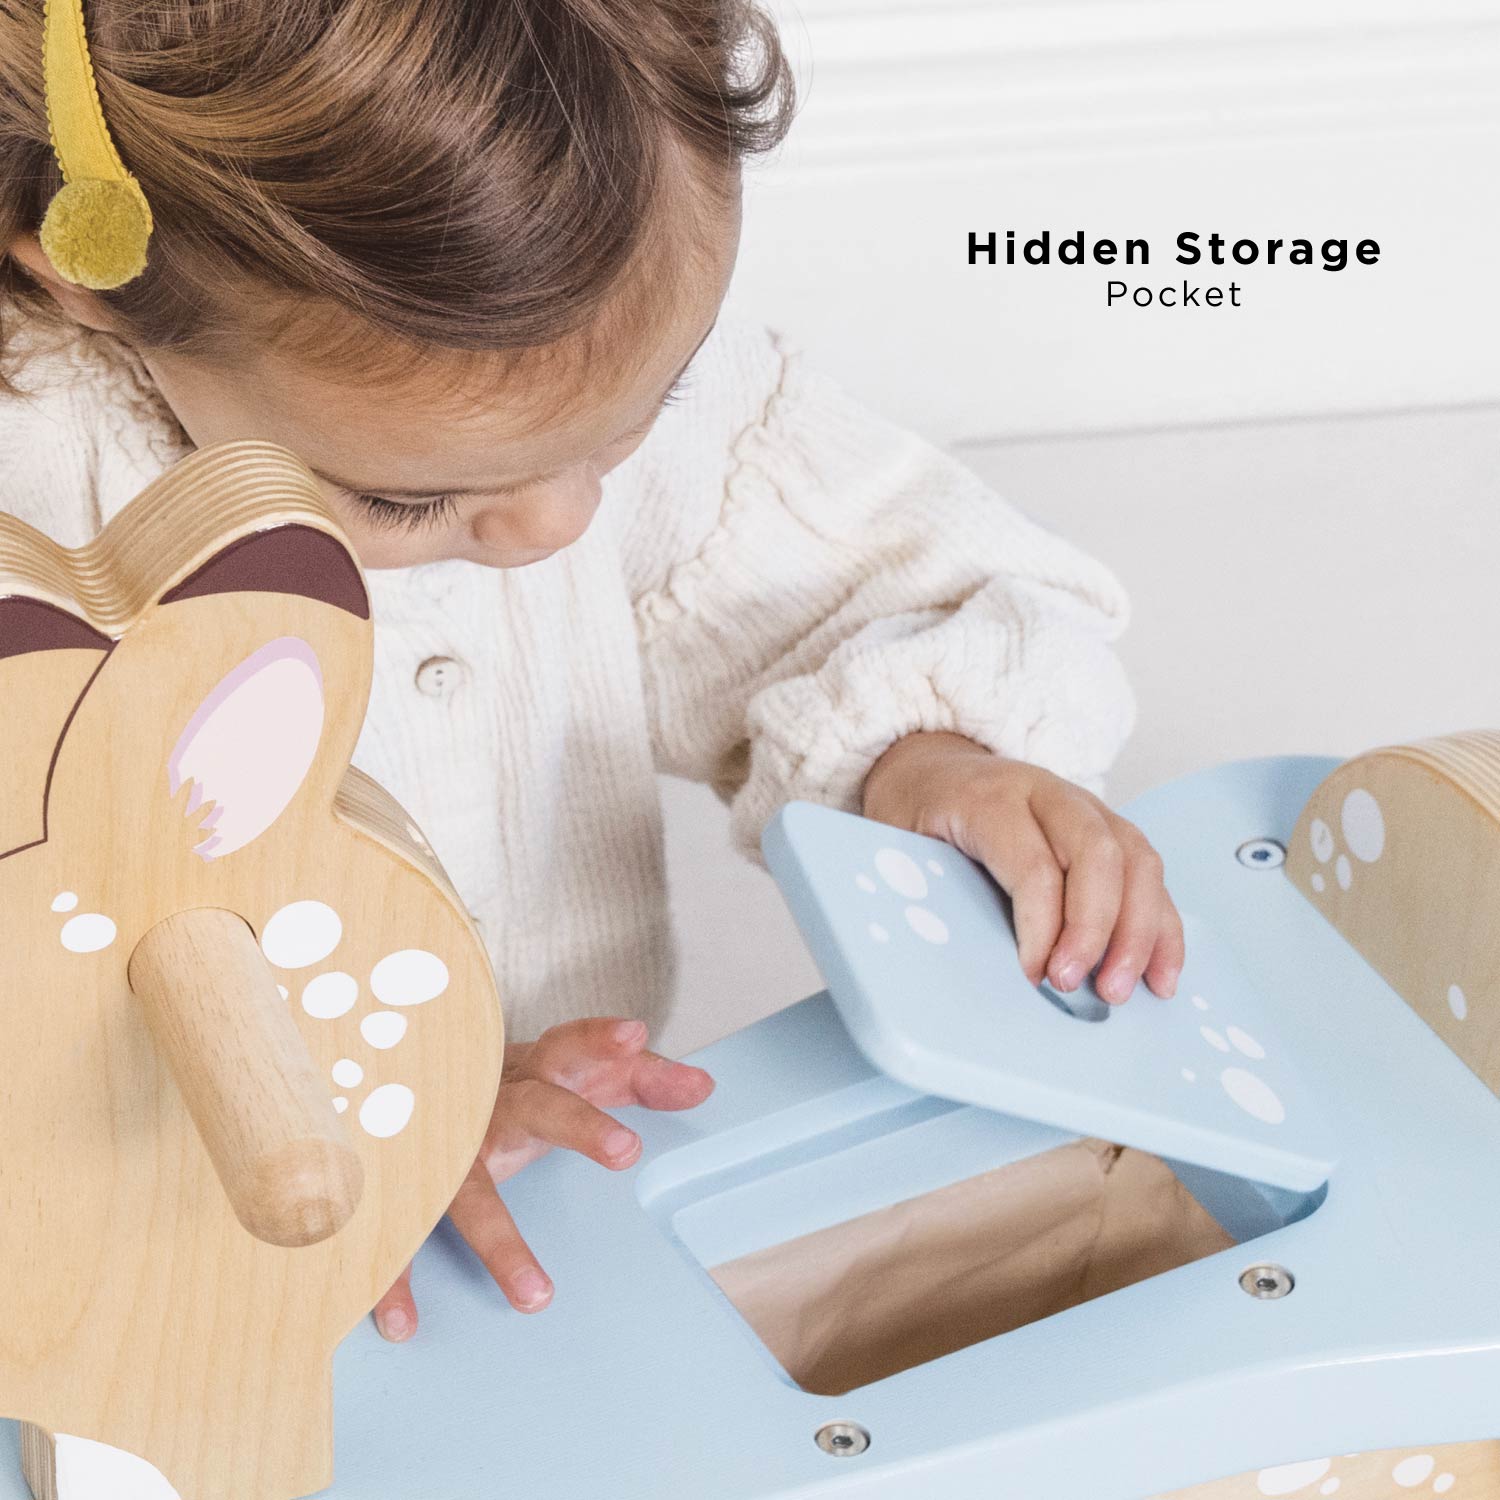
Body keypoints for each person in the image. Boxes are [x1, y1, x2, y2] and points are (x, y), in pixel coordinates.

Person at [0, 0, 1183, 1341]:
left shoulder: (566, 356)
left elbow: (825, 576)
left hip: (549, 1210)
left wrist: (934, 753)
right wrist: (371, 1091)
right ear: (84, 276)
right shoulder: (36, 507)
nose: (560, 526)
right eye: (405, 502)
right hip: (149, 1271)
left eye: (644, 416)